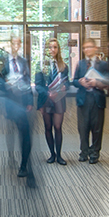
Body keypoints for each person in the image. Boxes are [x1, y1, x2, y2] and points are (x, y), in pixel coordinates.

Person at [0, 34, 33, 178]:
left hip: (22, 100)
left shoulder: (23, 61)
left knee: (24, 132)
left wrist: (30, 101)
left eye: (18, 43)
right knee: (10, 130)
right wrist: (6, 84)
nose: (16, 46)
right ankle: (10, 156)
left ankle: (23, 165)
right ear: (9, 45)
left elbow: (28, 79)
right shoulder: (3, 61)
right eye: (13, 43)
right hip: (9, 100)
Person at [74, 38, 109, 164]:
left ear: (95, 48)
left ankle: (95, 153)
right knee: (83, 128)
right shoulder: (80, 64)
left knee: (97, 128)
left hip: (97, 99)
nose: (86, 50)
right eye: (84, 48)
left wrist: (97, 83)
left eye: (89, 47)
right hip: (83, 99)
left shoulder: (103, 64)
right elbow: (74, 80)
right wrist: (80, 82)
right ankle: (84, 151)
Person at [35, 37, 69, 165]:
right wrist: (47, 92)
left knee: (58, 127)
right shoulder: (41, 65)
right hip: (46, 99)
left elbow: (68, 83)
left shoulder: (63, 66)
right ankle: (52, 154)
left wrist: (65, 87)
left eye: (55, 47)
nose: (52, 49)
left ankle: (59, 155)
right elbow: (37, 85)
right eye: (50, 47)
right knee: (48, 127)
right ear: (46, 49)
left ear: (58, 49)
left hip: (59, 99)